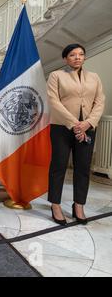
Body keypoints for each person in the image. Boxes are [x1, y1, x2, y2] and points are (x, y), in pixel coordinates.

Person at [47, 43, 105, 225]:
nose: (77, 57)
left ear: (85, 57)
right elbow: (53, 101)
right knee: (58, 166)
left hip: (87, 128)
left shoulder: (94, 77)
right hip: (61, 128)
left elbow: (100, 101)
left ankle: (78, 205)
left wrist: (88, 123)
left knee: (82, 168)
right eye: (72, 55)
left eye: (81, 54)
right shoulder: (56, 75)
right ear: (65, 58)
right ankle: (55, 205)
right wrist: (74, 124)